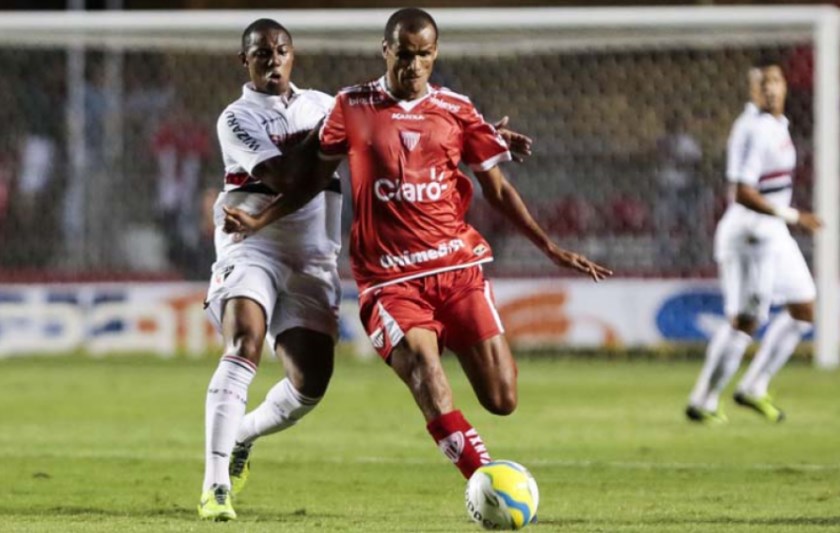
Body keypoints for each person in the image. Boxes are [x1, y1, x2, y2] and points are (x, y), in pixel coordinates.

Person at [223, 8, 611, 487]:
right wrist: (261, 218)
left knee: (502, 398)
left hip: (456, 269)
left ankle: (482, 467)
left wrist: (550, 247)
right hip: (389, 281)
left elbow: (499, 189)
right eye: (404, 54)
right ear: (386, 51)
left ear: (435, 54)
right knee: (426, 372)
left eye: (423, 55)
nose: (412, 66)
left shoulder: (457, 109)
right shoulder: (351, 106)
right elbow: (310, 181)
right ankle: (486, 482)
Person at [198, 17, 534, 521]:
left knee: (309, 385)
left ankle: (243, 434)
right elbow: (290, 173)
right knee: (244, 340)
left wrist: (470, 135)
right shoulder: (237, 118)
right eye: (261, 54)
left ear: (294, 55)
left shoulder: (325, 104)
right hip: (253, 247)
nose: (272, 61)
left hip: (313, 258)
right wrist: (359, 129)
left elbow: (392, 128)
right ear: (243, 61)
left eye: (281, 51)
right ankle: (216, 484)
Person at [686, 60, 822, 425]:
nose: (770, 89)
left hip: (773, 232)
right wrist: (795, 216)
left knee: (804, 309)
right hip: (750, 233)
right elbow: (743, 192)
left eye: (775, 81)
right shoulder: (751, 129)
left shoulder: (779, 125)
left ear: (785, 86)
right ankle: (703, 400)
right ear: (752, 91)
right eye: (762, 84)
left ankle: (754, 387)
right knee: (746, 321)